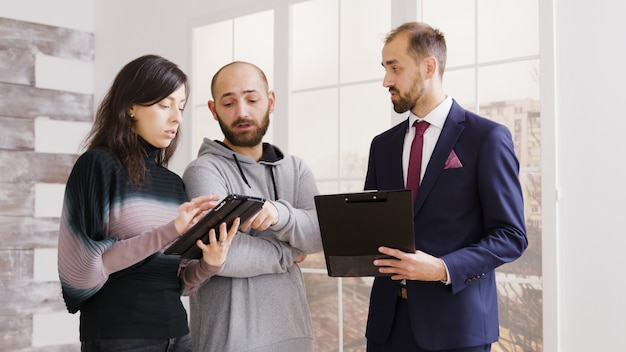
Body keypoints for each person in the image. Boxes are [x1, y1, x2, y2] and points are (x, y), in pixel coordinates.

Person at [57, 54, 239, 352]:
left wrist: (210, 264)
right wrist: (169, 230)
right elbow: (82, 269)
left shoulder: (173, 182)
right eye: (164, 105)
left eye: (180, 107)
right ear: (130, 107)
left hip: (178, 335)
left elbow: (178, 282)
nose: (177, 117)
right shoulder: (96, 166)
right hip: (119, 336)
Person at [364, 22, 528, 352]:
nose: (386, 81)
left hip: (457, 330)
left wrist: (442, 269)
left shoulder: (487, 138)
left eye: (395, 68)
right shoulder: (382, 145)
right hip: (387, 327)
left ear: (428, 66)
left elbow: (511, 235)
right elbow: (373, 227)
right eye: (385, 69)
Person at [182, 61, 323, 352]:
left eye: (252, 99)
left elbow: (318, 236)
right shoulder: (203, 171)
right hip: (229, 343)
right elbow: (223, 254)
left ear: (270, 101)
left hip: (295, 338)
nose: (242, 112)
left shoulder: (296, 169)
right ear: (213, 110)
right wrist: (289, 251)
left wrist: (279, 215)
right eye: (229, 103)